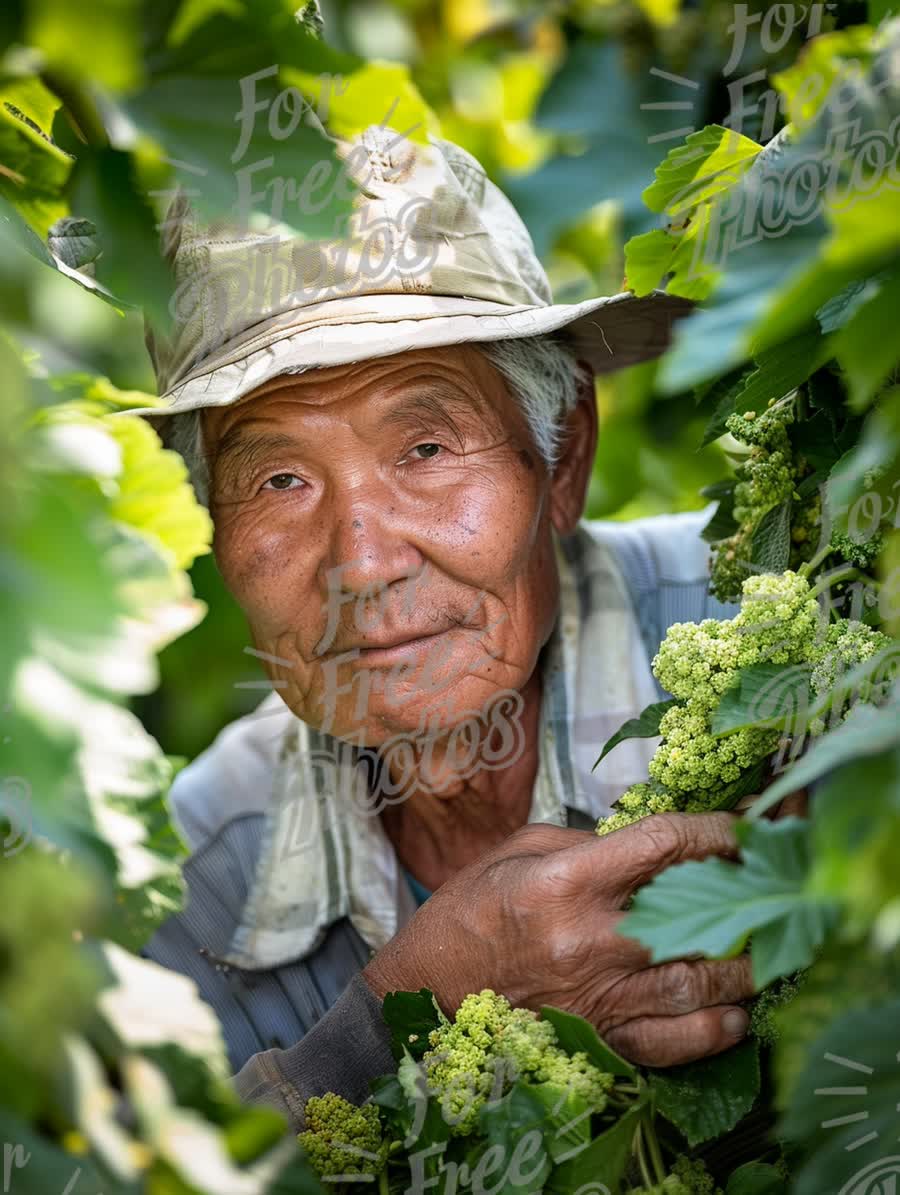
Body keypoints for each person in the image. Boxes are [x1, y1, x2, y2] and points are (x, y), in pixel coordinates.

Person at [136, 125, 757, 1133]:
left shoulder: (792, 626)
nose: (363, 561)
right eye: (280, 480)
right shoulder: (195, 893)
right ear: (214, 524)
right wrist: (386, 1032)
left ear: (562, 460)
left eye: (426, 446)